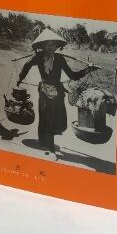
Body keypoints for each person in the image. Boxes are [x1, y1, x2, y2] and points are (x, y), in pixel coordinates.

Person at [17, 29, 97, 161]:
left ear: (56, 46)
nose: (51, 47)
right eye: (48, 44)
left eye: (53, 44)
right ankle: (51, 149)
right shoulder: (38, 57)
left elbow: (73, 75)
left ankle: (46, 142)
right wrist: (20, 78)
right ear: (43, 45)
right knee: (47, 119)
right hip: (44, 92)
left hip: (58, 93)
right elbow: (26, 66)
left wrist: (89, 69)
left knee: (59, 121)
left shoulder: (60, 58)